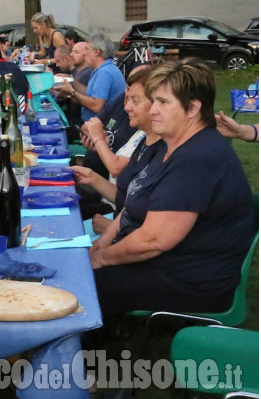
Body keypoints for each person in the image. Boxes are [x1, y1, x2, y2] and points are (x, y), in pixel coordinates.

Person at [91, 57, 256, 318]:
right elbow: (135, 202)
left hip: (193, 280)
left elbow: (154, 241)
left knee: (85, 287)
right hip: (174, 265)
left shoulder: (196, 158)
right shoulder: (170, 146)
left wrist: (101, 259)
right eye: (153, 101)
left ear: (192, 108)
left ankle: (80, 354)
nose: (153, 110)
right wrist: (102, 244)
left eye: (163, 102)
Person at [71, 66, 163, 230]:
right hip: (114, 209)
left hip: (116, 218)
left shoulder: (169, 151)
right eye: (127, 90)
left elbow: (157, 233)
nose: (127, 105)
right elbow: (126, 199)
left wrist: (112, 229)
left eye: (135, 100)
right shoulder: (143, 138)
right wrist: (92, 177)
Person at [52, 33, 126, 121]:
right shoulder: (101, 69)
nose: (84, 53)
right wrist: (72, 81)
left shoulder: (104, 73)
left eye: (87, 49)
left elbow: (96, 106)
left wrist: (72, 92)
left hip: (99, 127)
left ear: (96, 52)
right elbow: (89, 93)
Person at [52, 43, 93, 139]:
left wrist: (67, 94)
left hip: (79, 123)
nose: (71, 55)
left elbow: (83, 101)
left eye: (76, 52)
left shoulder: (85, 74)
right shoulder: (77, 72)